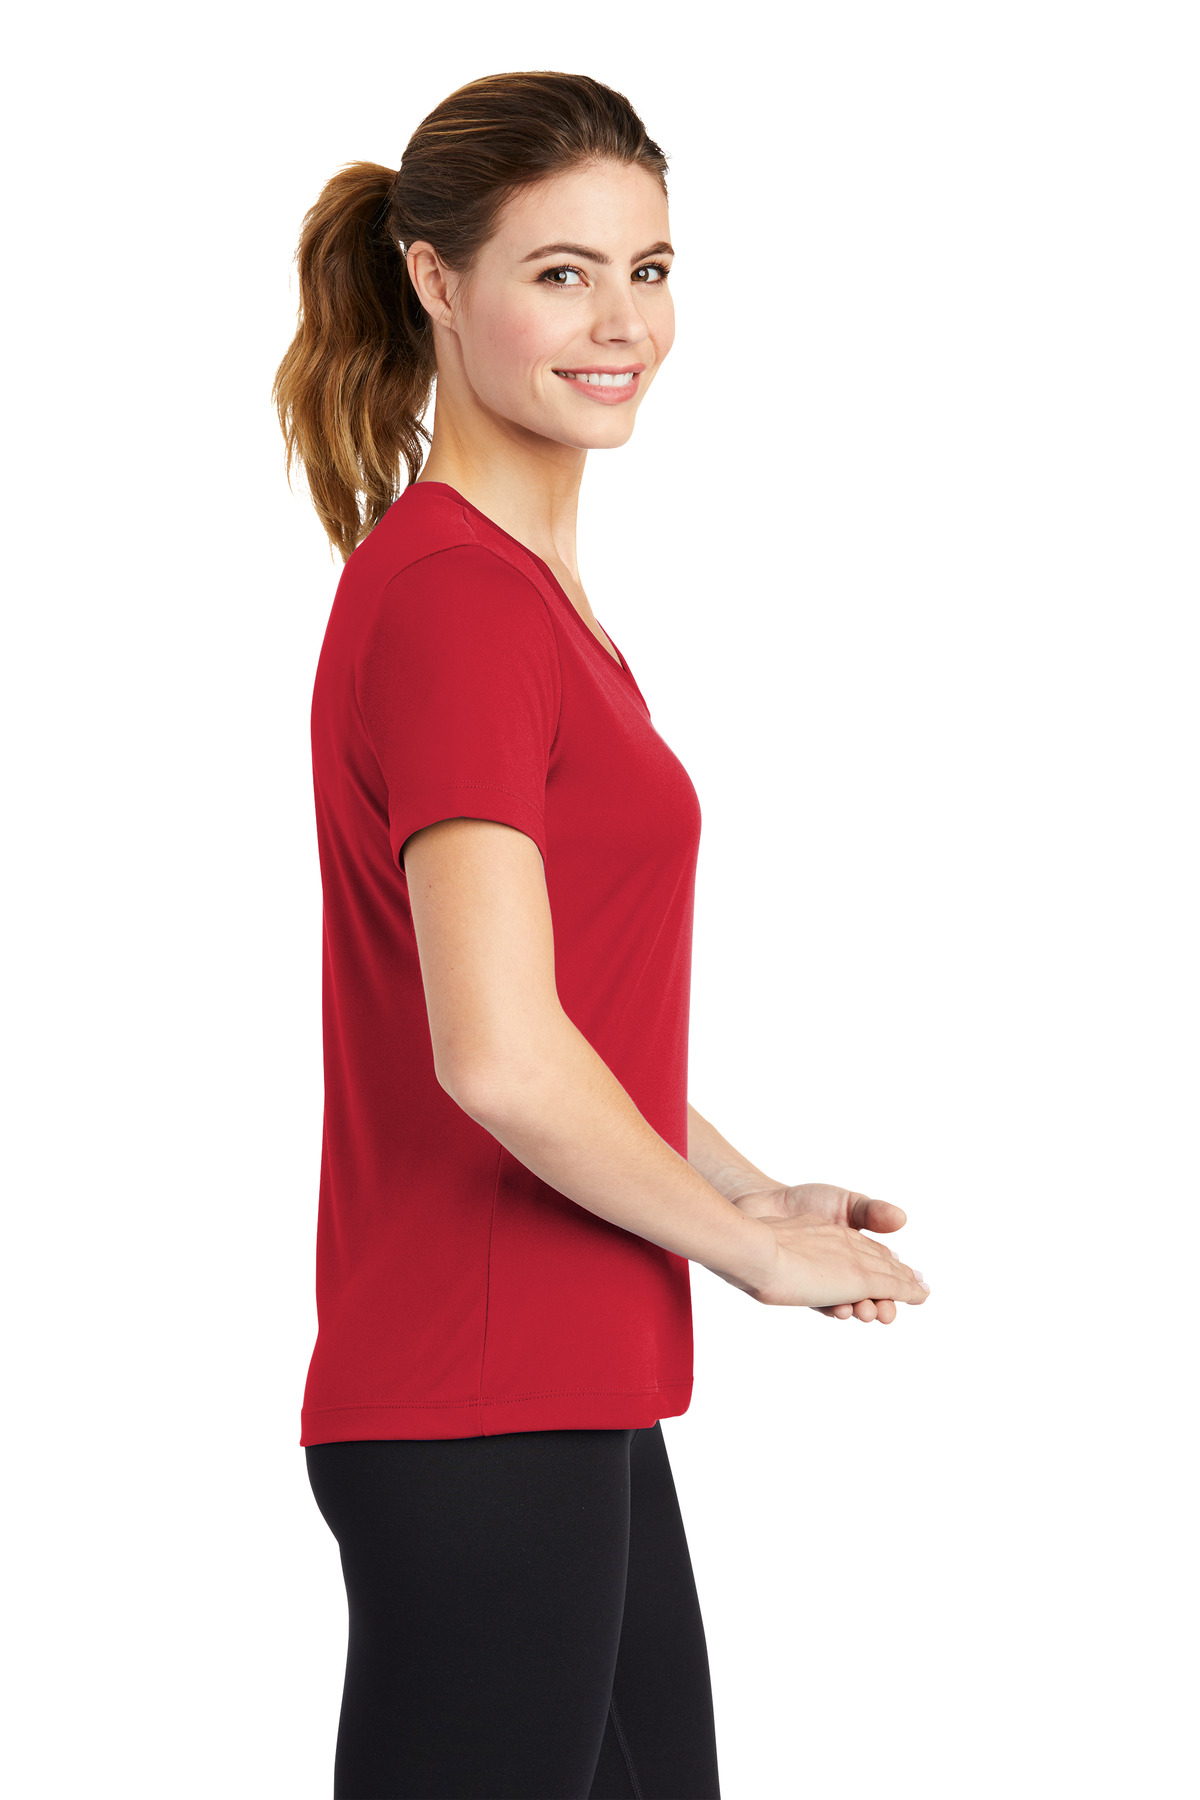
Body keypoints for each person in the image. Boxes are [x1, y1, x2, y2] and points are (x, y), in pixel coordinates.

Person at [273, 69, 930, 1800]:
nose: (622, 321)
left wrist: (750, 1189)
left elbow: (558, 1018)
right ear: (434, 280)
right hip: (480, 1395)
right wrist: (745, 1255)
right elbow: (496, 1055)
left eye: (648, 269)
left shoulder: (519, 599)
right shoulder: (458, 604)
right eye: (560, 274)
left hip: (563, 1390)